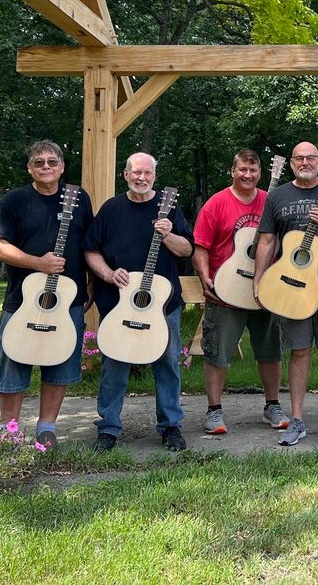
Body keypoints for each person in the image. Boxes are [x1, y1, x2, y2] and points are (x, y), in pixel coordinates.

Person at [83, 152, 194, 453]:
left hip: (162, 305)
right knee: (114, 363)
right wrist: (107, 273)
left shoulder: (168, 208)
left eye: (147, 173)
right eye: (136, 173)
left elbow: (186, 250)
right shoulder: (111, 209)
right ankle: (108, 428)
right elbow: (90, 250)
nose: (142, 178)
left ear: (154, 177)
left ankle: (170, 426)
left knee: (168, 363)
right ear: (126, 175)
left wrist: (169, 235)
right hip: (119, 304)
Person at [252, 141, 318, 446]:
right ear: (292, 163)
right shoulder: (278, 195)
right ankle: (296, 420)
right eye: (299, 158)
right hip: (290, 284)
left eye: (310, 157)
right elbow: (267, 240)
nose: (305, 162)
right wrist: (258, 279)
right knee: (298, 351)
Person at [0, 139, 93, 449]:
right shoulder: (15, 201)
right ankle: (9, 429)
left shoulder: (79, 198)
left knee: (60, 363)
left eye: (51, 162)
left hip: (68, 300)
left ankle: (47, 427)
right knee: (15, 362)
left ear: (62, 166)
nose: (46, 167)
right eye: (39, 162)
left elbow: (90, 244)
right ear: (29, 168)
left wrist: (93, 285)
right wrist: (38, 264)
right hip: (22, 300)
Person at [191, 149, 289, 435]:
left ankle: (272, 405)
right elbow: (200, 248)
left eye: (253, 170)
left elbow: (287, 242)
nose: (247, 175)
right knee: (217, 353)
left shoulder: (271, 202)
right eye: (242, 170)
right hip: (227, 291)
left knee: (271, 351)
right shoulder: (216, 204)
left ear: (261, 173)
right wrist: (204, 277)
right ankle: (214, 411)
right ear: (233, 171)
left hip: (265, 291)